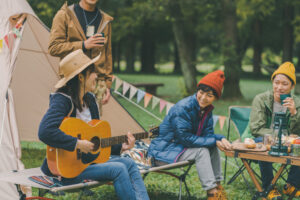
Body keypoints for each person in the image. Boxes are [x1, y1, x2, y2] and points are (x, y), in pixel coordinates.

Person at [38, 49, 149, 200]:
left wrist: (120, 147)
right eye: (92, 72)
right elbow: (45, 131)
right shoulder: (62, 99)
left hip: (87, 164)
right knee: (119, 168)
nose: (96, 76)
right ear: (81, 77)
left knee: (128, 162)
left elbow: (96, 142)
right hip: (66, 170)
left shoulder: (90, 100)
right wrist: (77, 143)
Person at [148, 70, 232, 200]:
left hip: (180, 149)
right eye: (201, 92)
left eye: (209, 95)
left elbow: (207, 135)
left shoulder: (207, 110)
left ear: (215, 98)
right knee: (202, 151)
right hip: (163, 152)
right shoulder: (183, 108)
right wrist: (214, 140)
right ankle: (212, 193)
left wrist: (220, 138)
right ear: (197, 90)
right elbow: (185, 139)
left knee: (212, 147)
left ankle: (218, 188)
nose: (204, 98)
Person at [48, 0, 112, 114]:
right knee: (70, 123)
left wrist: (107, 84)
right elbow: (54, 47)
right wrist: (83, 45)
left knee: (93, 125)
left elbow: (107, 54)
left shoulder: (105, 20)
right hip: (71, 81)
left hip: (96, 84)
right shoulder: (64, 14)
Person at [249, 62, 300, 200]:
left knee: (298, 144)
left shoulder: (298, 103)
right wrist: (279, 137)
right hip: (261, 139)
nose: (279, 87)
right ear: (272, 82)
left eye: (285, 84)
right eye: (276, 82)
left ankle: (292, 184)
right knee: (264, 142)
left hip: (288, 143)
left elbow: (297, 133)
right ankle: (269, 186)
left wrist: (294, 113)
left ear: (292, 86)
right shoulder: (261, 99)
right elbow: (256, 128)